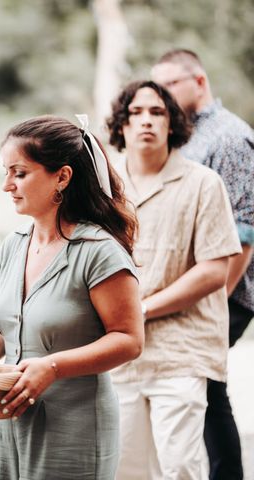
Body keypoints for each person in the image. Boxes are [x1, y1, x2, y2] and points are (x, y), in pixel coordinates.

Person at [0, 114, 144, 479]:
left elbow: (129, 340)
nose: (7, 186)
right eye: (6, 172)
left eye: (19, 173)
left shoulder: (99, 251)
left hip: (76, 426)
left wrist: (53, 366)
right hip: (14, 420)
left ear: (62, 176)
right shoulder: (14, 246)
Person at [106, 80, 242, 479]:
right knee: (126, 468)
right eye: (136, 112)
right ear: (122, 125)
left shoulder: (203, 183)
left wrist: (142, 309)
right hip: (120, 355)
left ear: (172, 124)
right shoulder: (105, 189)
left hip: (183, 351)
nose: (146, 121)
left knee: (181, 465)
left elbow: (214, 270)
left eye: (157, 112)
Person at [152, 49, 254, 480]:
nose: (164, 95)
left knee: (204, 387)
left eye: (171, 84)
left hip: (223, 292)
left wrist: (214, 302)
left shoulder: (230, 137)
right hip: (188, 288)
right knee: (203, 391)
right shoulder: (186, 135)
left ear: (199, 81)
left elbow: (245, 232)